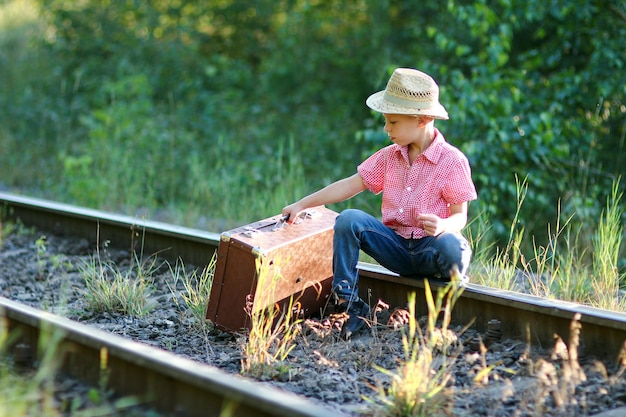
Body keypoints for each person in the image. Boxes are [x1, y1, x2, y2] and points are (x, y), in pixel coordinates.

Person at [282, 68, 477, 339]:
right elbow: (351, 184)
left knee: (453, 246)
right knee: (349, 219)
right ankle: (350, 307)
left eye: (393, 122)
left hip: (430, 249)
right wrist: (301, 205)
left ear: (421, 119)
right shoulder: (389, 157)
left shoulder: (452, 161)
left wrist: (444, 225)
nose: (386, 129)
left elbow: (460, 216)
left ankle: (447, 304)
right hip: (395, 248)